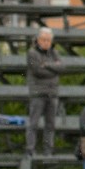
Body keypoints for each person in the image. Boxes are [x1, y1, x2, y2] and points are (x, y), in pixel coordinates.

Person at [25, 26, 63, 156]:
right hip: (38, 93)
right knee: (33, 123)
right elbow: (37, 71)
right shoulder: (32, 53)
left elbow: (62, 67)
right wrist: (54, 69)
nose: (46, 42)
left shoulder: (54, 53)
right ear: (38, 40)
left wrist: (46, 65)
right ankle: (30, 149)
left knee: (50, 124)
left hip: (52, 93)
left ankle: (48, 150)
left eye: (49, 40)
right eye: (44, 40)